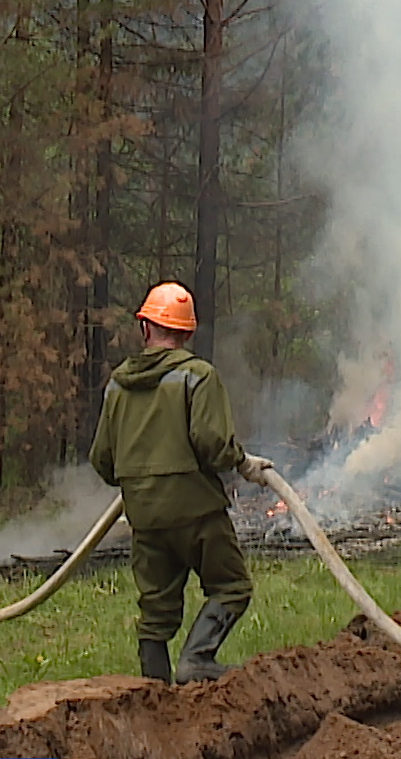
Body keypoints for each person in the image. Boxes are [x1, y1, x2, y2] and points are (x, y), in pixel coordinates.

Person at [90, 282, 273, 684]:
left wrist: (139, 480)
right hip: (197, 513)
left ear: (145, 329)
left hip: (145, 518)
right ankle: (197, 660)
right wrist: (243, 463)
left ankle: (156, 700)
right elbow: (213, 446)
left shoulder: (118, 384)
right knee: (231, 587)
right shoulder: (198, 376)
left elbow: (102, 461)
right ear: (187, 333)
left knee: (155, 617)